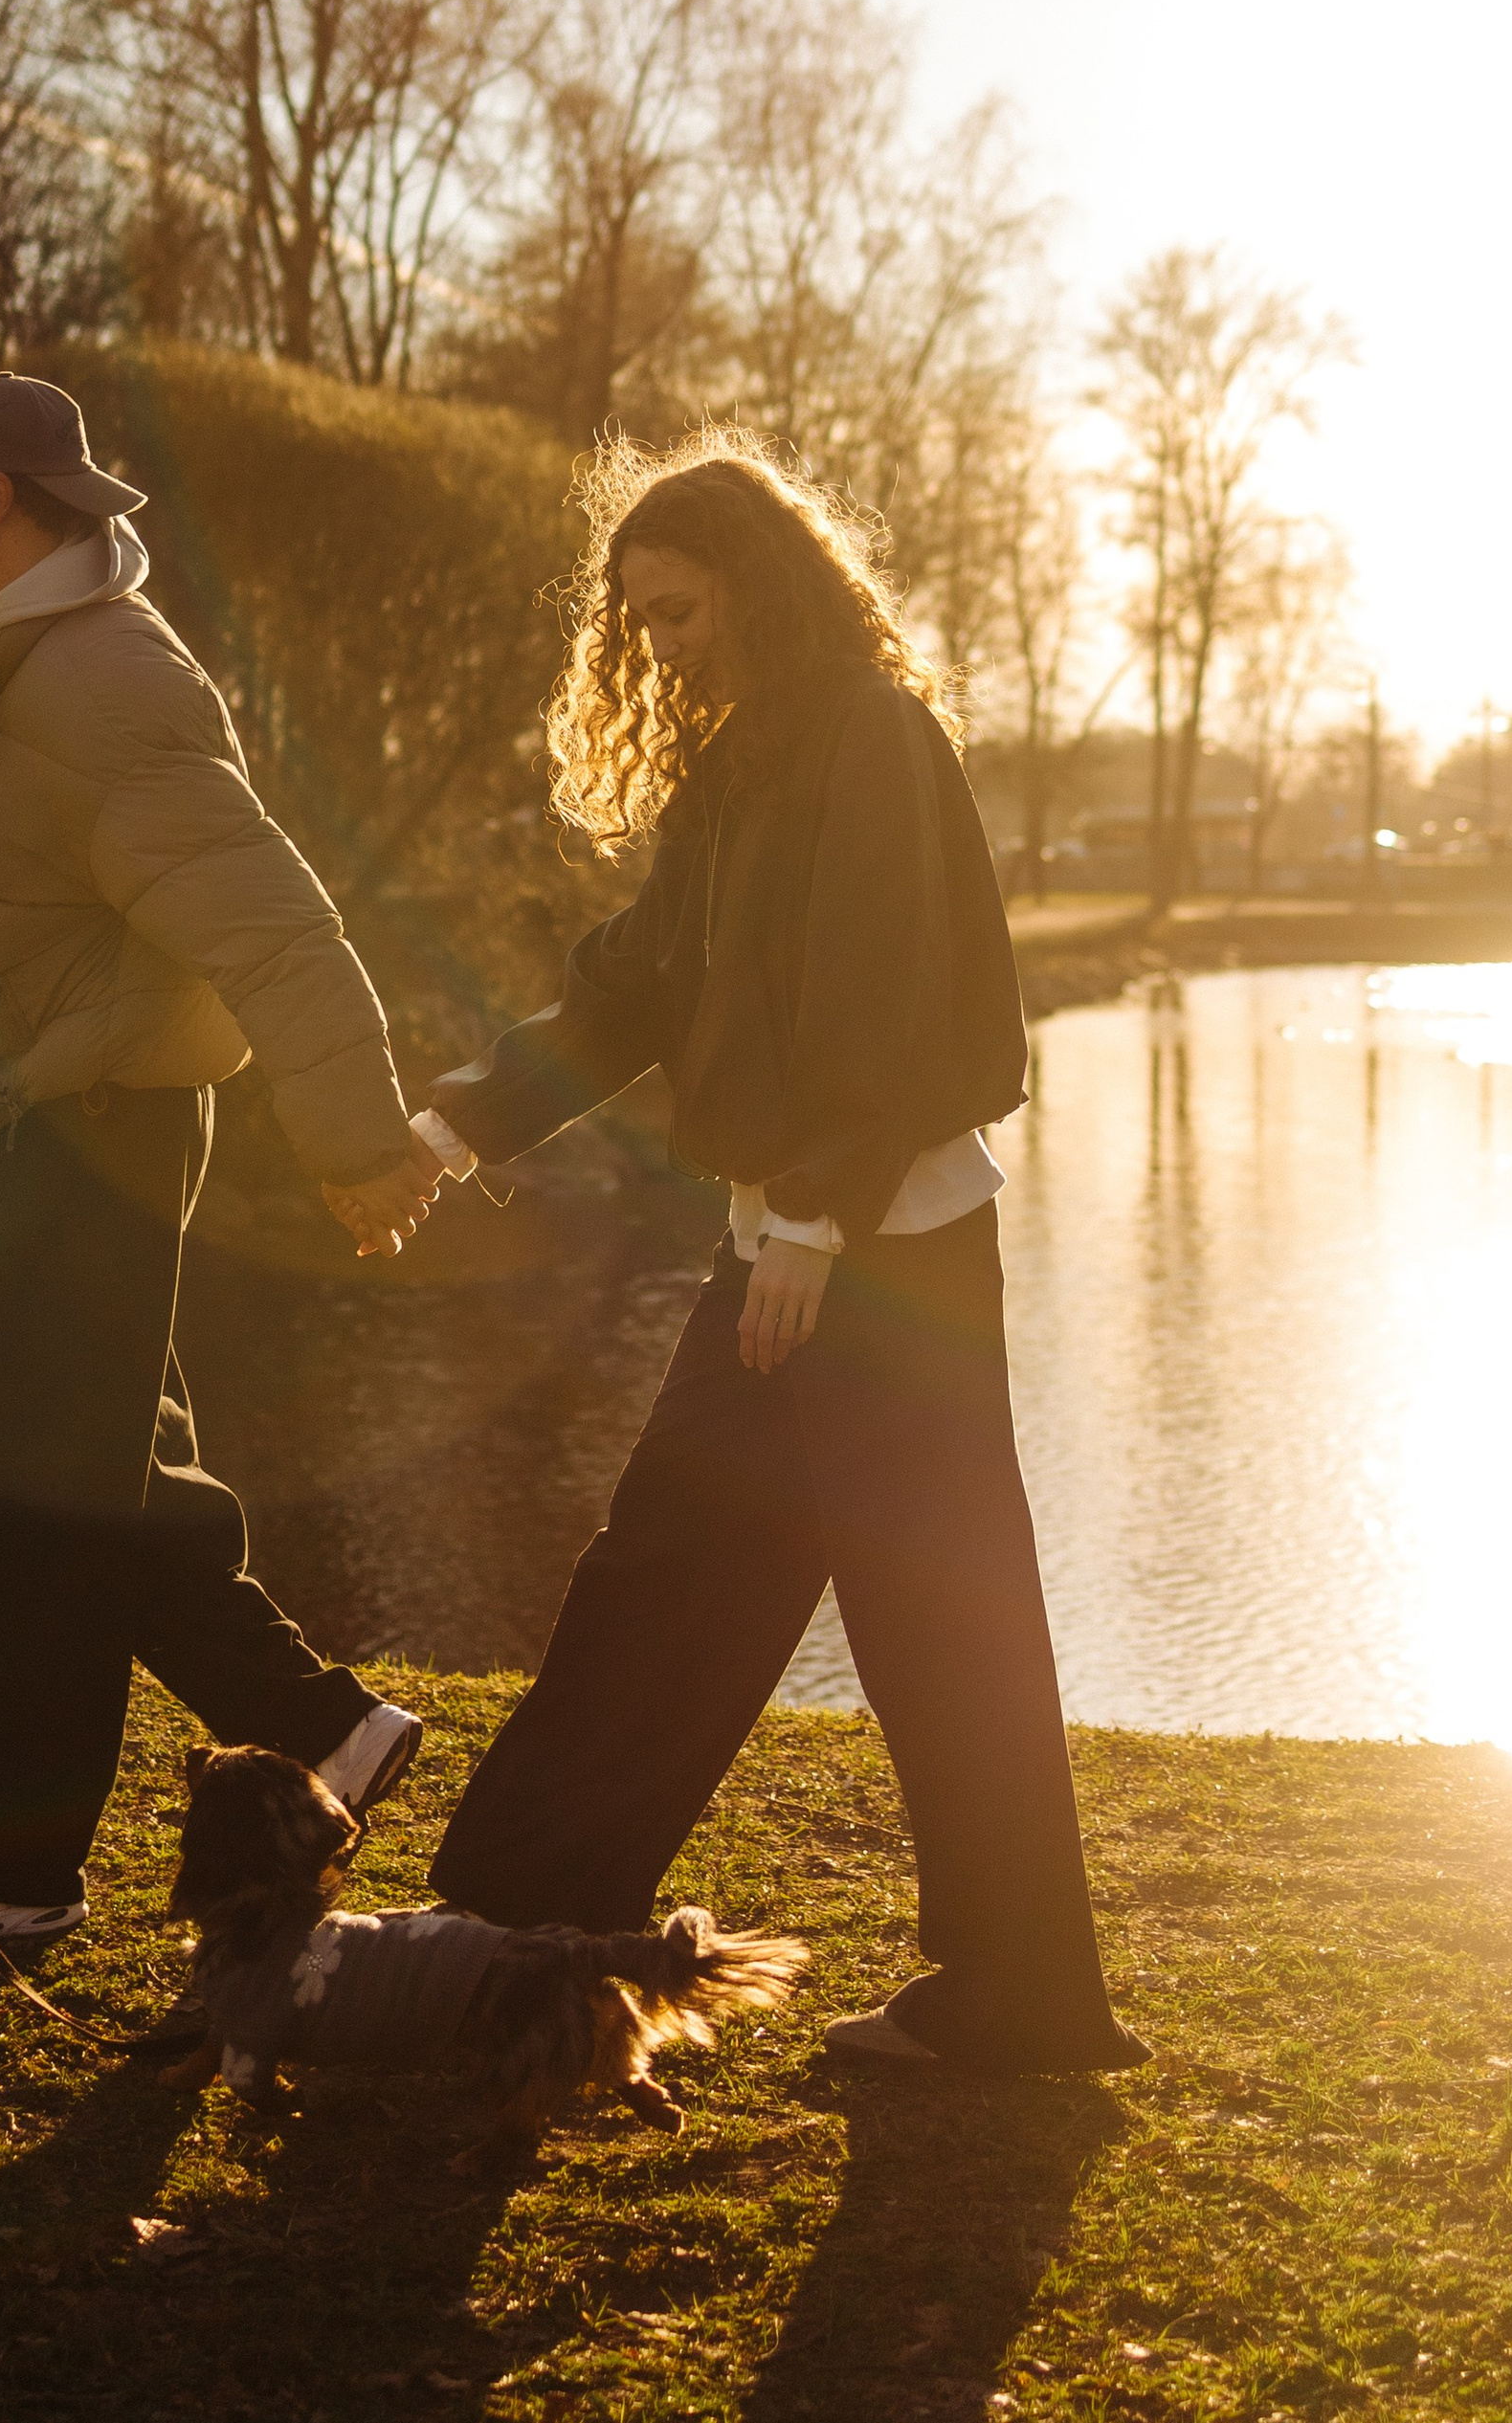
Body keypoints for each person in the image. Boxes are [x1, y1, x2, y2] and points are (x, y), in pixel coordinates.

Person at [407, 430, 1146, 2077]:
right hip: (793, 1249)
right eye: (643, 621)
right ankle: (533, 1911)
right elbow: (624, 988)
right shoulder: (734, 770)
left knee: (939, 1623)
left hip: (886, 1260)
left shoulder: (869, 737)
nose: (664, 647)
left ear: (762, 585)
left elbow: (882, 998)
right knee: (667, 1571)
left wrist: (811, 1212)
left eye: (683, 609)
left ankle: (1026, 2001)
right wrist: (455, 1129)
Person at [0, 370, 440, 1951]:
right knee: (103, 1477)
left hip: (107, 1119)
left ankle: (12, 1875)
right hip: (72, 1120)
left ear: (1, 492)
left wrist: (358, 1138)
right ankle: (322, 1725)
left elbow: (265, 911)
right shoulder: (21, 666)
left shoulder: (106, 680)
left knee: (6, 1511)